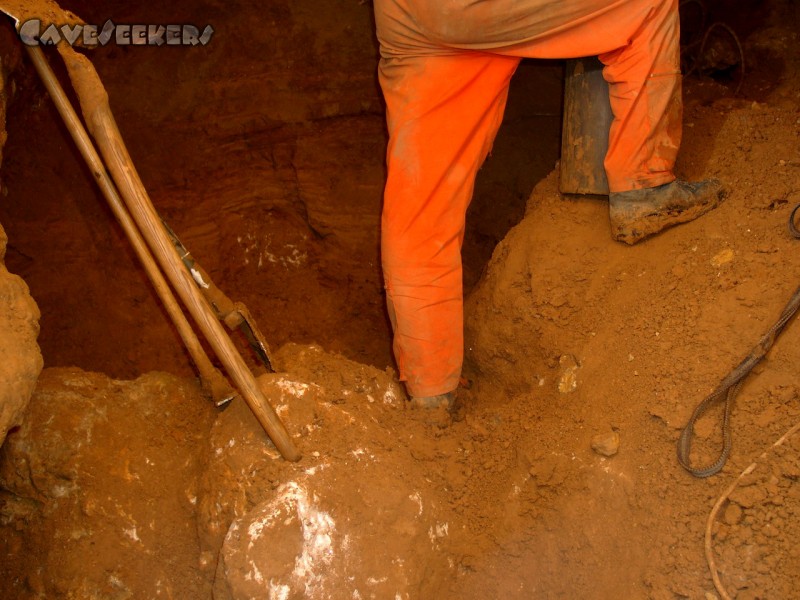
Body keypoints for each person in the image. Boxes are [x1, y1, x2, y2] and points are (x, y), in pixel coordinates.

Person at [373, 0, 726, 408]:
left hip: (407, 17)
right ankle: (641, 181)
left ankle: (430, 390)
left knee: (423, 207)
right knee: (648, 4)